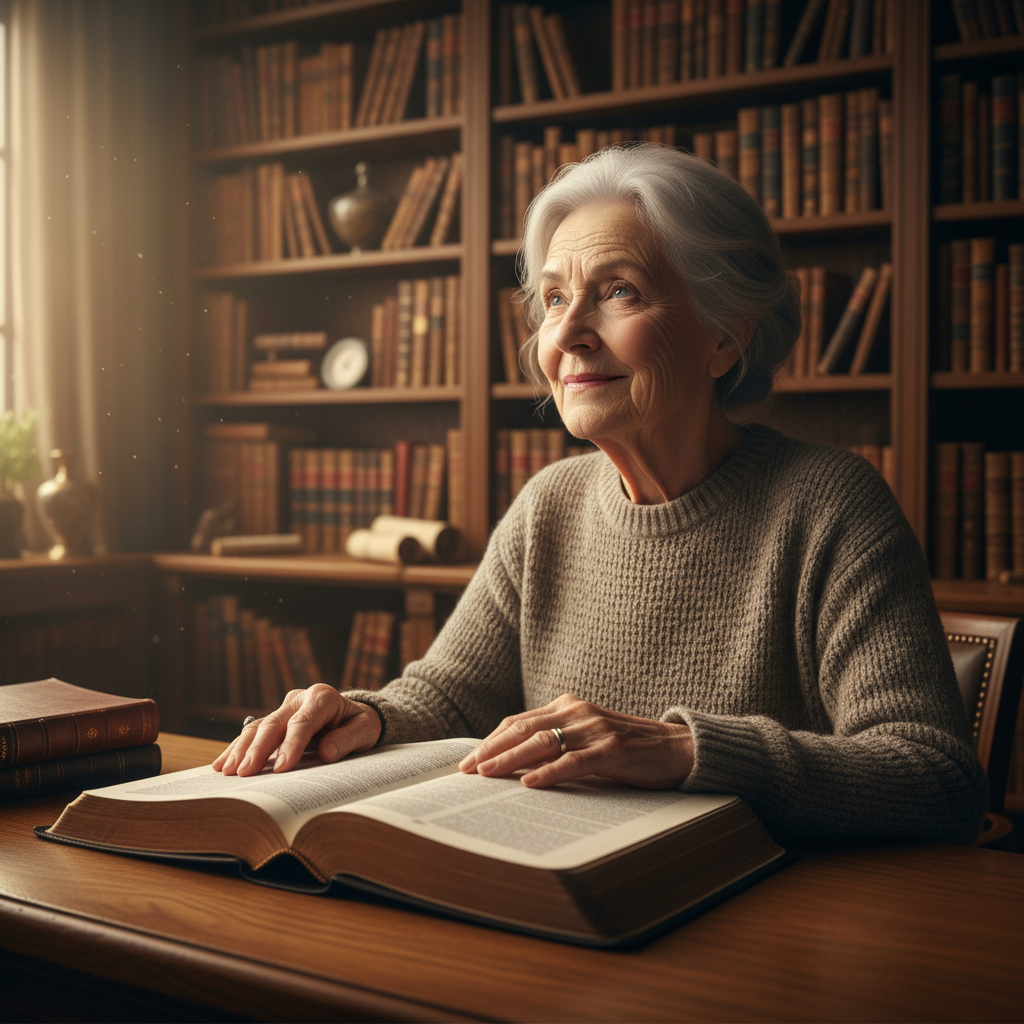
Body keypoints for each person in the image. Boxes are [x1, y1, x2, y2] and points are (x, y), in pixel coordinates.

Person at [214, 144, 986, 845]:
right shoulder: (548, 505)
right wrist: (367, 715)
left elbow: (938, 779)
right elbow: (449, 699)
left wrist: (686, 750)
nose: (569, 334)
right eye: (554, 300)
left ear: (725, 338)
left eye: (618, 291)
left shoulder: (831, 506)